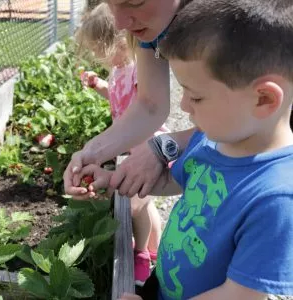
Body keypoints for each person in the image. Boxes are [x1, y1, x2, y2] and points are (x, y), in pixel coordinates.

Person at [72, 0, 293, 299]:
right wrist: (111, 178)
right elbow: (174, 181)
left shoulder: (278, 199)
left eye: (196, 97)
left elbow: (239, 295)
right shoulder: (212, 142)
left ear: (264, 99)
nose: (183, 106)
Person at [64, 0, 194, 202]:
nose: (119, 24)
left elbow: (241, 128)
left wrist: (163, 146)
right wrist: (91, 153)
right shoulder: (154, 31)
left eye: (134, 2)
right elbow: (150, 105)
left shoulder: (232, 25)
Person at [74, 3, 167, 285]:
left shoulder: (138, 70)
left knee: (136, 205)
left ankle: (139, 254)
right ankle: (154, 250)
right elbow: (116, 97)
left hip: (149, 147)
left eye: (99, 50)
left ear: (119, 41)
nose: (97, 57)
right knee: (146, 205)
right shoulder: (117, 72)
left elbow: (144, 109)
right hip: (132, 147)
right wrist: (99, 85)